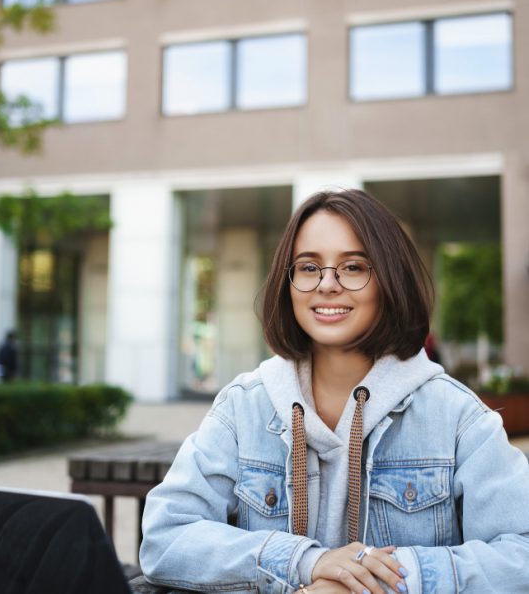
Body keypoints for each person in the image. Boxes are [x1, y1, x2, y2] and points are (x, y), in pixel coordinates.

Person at [140, 189, 529, 594]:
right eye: (309, 268)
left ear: (389, 279)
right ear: (287, 283)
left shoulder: (456, 416)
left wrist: (371, 581)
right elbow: (167, 537)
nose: (327, 284)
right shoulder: (244, 407)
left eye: (354, 266)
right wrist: (308, 562)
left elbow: (521, 552)